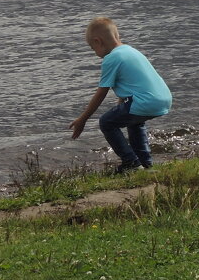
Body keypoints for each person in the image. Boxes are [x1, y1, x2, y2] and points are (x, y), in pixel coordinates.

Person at [70, 17, 173, 172]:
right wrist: (122, 104)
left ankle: (131, 162)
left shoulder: (111, 58)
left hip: (143, 101)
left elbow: (101, 93)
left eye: (93, 49)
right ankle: (145, 164)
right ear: (116, 36)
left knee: (106, 122)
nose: (96, 53)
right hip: (163, 99)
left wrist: (82, 119)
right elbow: (131, 83)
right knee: (134, 123)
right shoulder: (131, 51)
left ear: (98, 42)